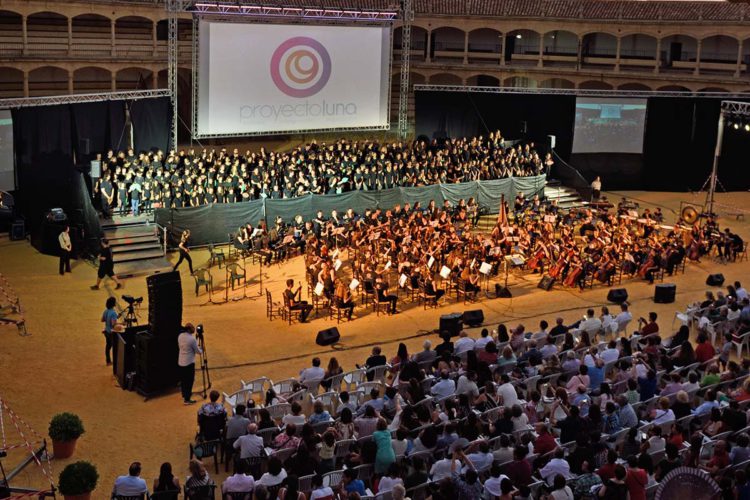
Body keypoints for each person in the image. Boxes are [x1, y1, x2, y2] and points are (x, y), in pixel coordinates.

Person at [178, 323, 201, 405]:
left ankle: (184, 395)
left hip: (181, 362)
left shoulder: (180, 336)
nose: (194, 329)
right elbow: (198, 351)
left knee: (184, 380)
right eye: (192, 328)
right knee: (189, 381)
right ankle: (187, 399)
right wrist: (201, 349)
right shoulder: (192, 339)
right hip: (189, 363)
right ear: (188, 329)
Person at [100, 296, 119, 365]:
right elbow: (113, 324)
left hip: (106, 331)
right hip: (111, 333)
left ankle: (108, 361)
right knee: (115, 347)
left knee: (108, 346)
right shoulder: (113, 313)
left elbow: (102, 320)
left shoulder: (106, 311)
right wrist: (121, 324)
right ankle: (116, 362)